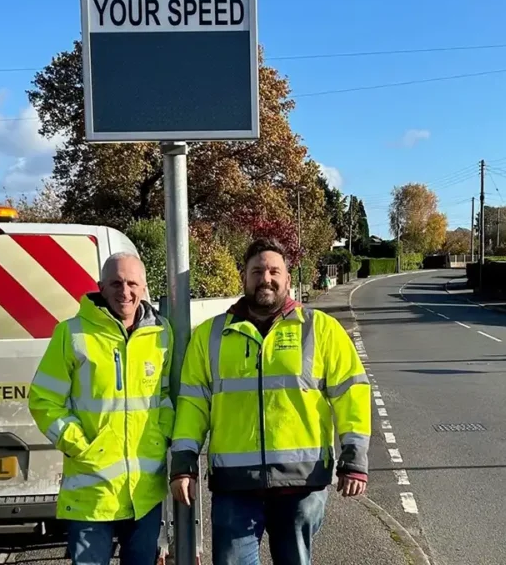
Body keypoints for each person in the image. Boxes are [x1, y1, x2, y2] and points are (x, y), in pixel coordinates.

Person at [170, 238, 371, 565]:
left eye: (274, 271)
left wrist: (355, 459)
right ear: (244, 277)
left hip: (302, 484)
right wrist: (183, 463)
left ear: (288, 279)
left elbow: (352, 394)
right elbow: (193, 404)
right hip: (235, 485)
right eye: (257, 270)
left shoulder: (321, 330)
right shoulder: (210, 335)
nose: (266, 278)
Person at [29, 252, 173, 565]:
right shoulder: (72, 334)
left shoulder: (162, 335)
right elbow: (43, 399)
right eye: (116, 283)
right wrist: (79, 445)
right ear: (101, 287)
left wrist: (161, 434)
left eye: (132, 283)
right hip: (91, 492)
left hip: (144, 493)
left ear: (144, 287)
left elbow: (165, 397)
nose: (125, 291)